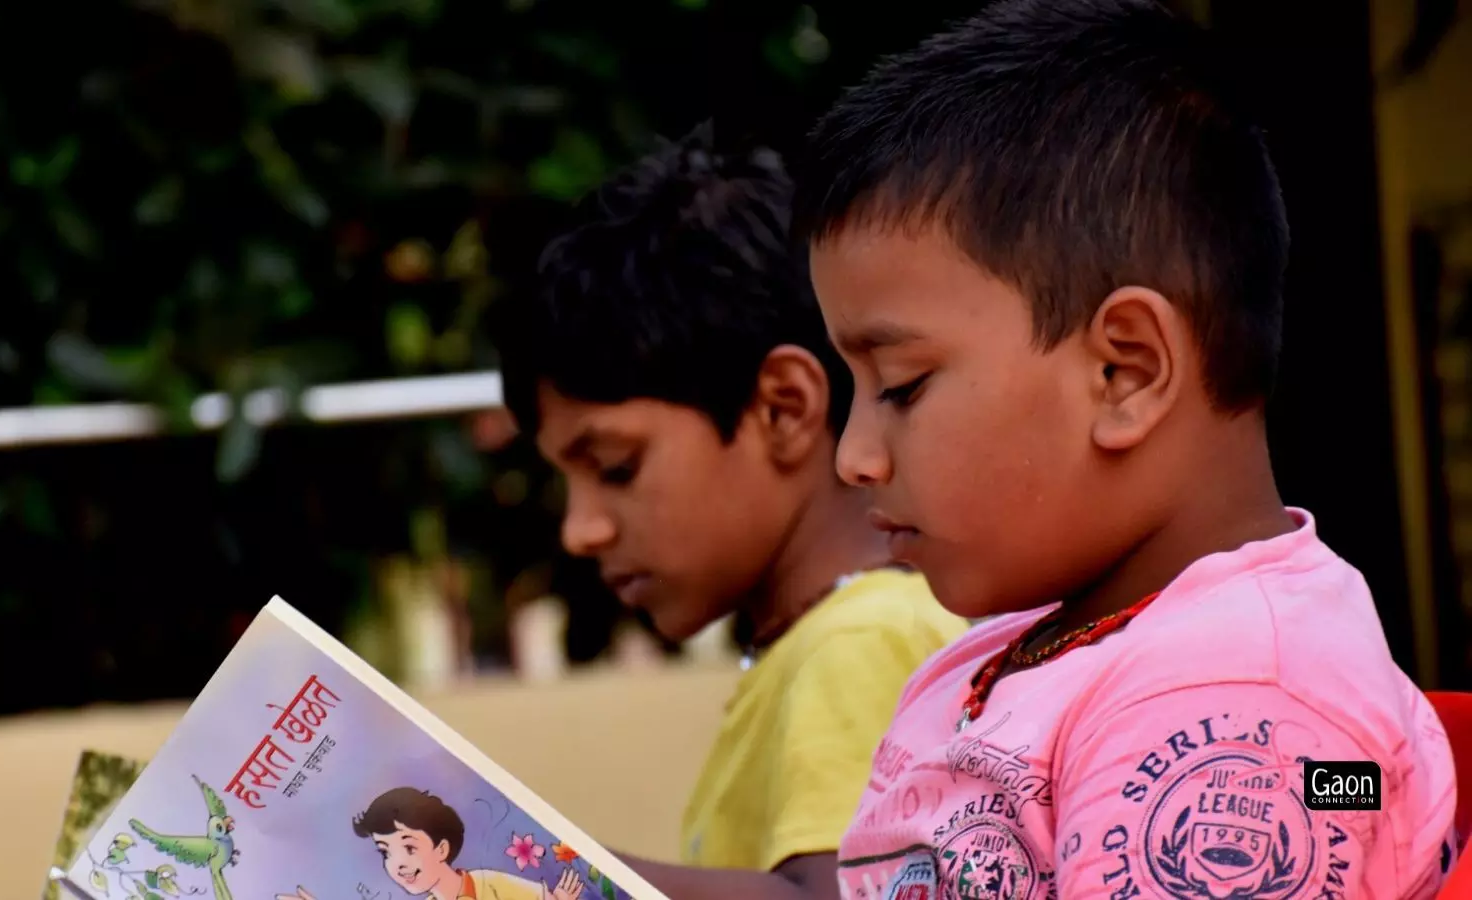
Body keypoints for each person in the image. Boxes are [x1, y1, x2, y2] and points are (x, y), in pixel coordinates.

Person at [793, 1, 1459, 898]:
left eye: (902, 386)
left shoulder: (1241, 706)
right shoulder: (1017, 653)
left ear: (1125, 372)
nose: (855, 458)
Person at [491, 123, 969, 900]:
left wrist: (540, 873)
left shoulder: (858, 643)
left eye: (616, 466)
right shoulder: (814, 648)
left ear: (783, 410)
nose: (581, 530)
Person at [277, 787, 584, 900]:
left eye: (409, 847)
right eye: (386, 851)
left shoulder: (487, 885)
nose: (398, 864)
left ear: (441, 849)